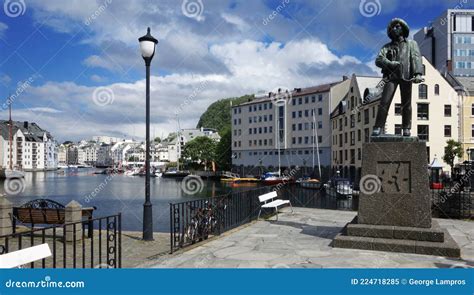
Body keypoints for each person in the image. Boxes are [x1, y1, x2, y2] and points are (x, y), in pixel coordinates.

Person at [372, 18, 424, 137]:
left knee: (406, 103)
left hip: (406, 76)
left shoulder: (411, 44)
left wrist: (418, 74)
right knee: (384, 102)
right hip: (391, 77)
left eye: (398, 26)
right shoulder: (387, 47)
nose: (395, 29)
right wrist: (390, 63)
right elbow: (378, 60)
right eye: (393, 27)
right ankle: (378, 127)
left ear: (403, 29)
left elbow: (416, 58)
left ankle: (406, 128)